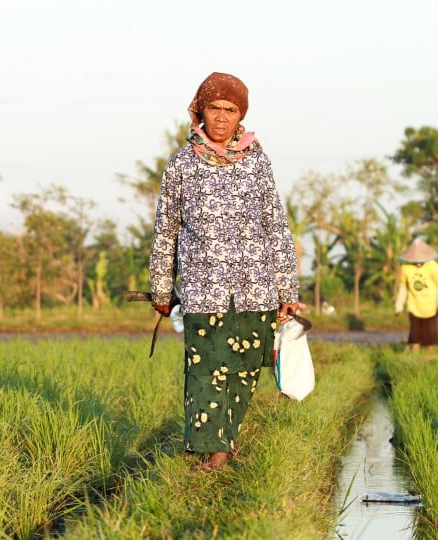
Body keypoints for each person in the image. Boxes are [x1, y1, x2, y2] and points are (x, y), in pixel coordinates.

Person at [148, 72, 299, 472]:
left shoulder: (257, 162)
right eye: (214, 109)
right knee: (205, 368)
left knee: (245, 370)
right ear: (200, 111)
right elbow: (166, 229)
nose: (221, 118)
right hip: (203, 288)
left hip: (256, 289)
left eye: (230, 111)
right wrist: (162, 289)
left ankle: (226, 441)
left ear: (240, 116)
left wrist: (288, 288)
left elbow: (276, 225)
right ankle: (212, 451)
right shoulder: (181, 165)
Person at [394, 238, 438, 351]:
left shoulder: (433, 266)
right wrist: (399, 306)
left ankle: (429, 356)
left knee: (430, 336)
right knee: (415, 335)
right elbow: (403, 287)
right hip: (414, 306)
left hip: (431, 306)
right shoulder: (406, 268)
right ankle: (415, 355)